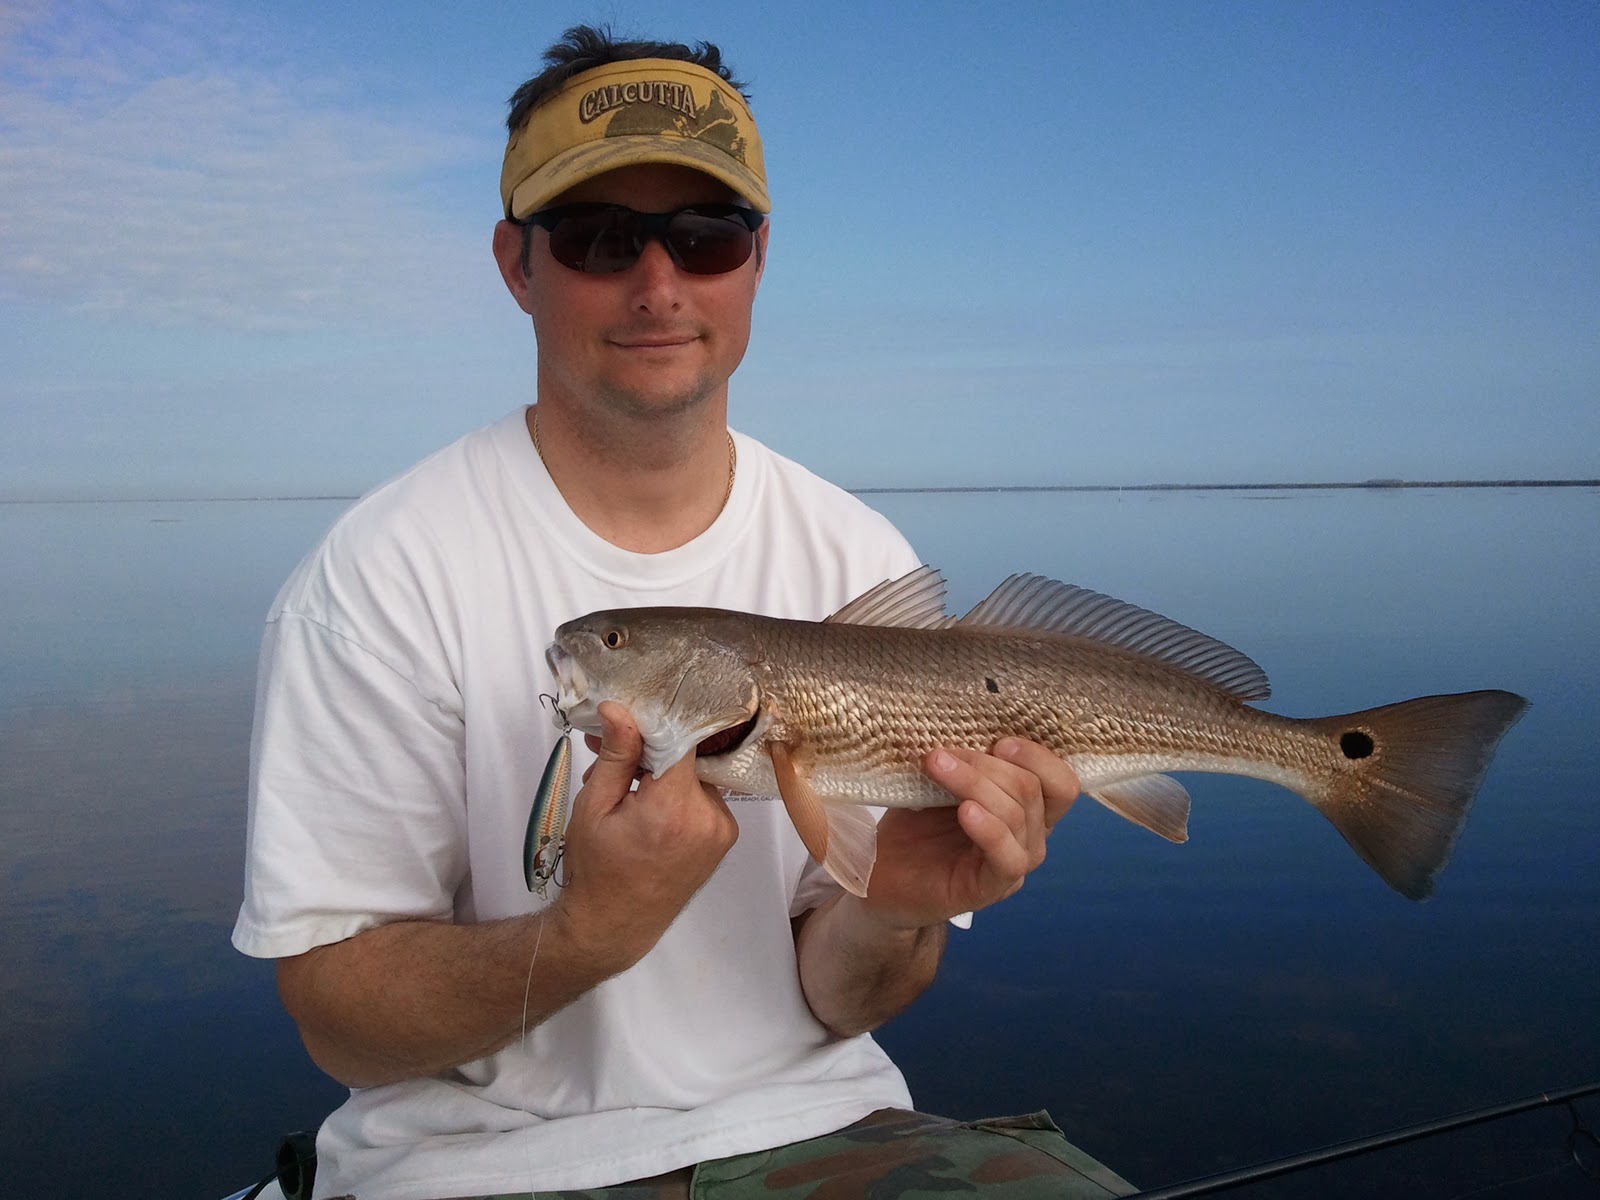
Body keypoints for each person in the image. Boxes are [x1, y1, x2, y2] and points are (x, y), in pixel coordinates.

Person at [232, 24, 1134, 1200]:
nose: (659, 284)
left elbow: (842, 1001)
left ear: (757, 261)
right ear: (517, 265)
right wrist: (589, 930)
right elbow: (341, 1030)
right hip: (477, 1170)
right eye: (601, 238)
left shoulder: (856, 555)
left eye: (705, 237)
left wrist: (893, 912)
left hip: (823, 1129)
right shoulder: (377, 578)